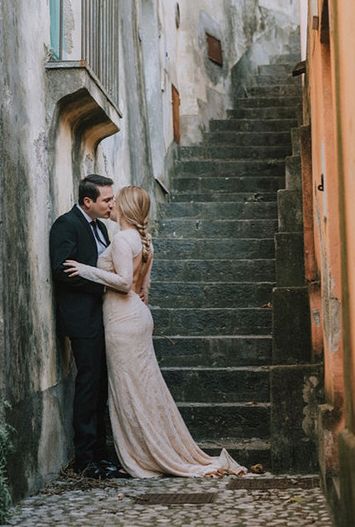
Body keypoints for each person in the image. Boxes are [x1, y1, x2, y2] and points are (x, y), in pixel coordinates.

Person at [64, 185, 247, 478]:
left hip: (122, 319)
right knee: (145, 387)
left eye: (115, 202)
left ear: (125, 208)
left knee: (132, 390)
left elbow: (124, 283)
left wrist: (86, 270)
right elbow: (143, 290)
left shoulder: (124, 239)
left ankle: (147, 454)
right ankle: (156, 446)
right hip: (137, 314)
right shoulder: (144, 241)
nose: (111, 207)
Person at [49, 174, 128, 480]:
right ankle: (86, 458)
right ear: (88, 201)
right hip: (82, 318)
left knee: (99, 387)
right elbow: (61, 269)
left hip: (103, 316)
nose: (112, 204)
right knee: (87, 385)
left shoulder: (102, 228)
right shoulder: (66, 225)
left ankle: (101, 454)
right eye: (107, 199)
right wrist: (102, 287)